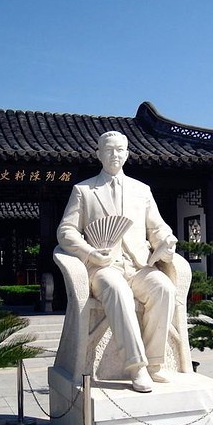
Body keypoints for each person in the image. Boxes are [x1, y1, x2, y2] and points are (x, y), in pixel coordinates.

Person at [57, 131, 178, 392]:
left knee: (164, 288)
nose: (115, 155)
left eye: (120, 150)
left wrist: (166, 241)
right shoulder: (83, 190)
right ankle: (137, 367)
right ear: (98, 154)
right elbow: (66, 231)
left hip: (137, 266)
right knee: (117, 289)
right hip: (103, 267)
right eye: (109, 150)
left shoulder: (141, 190)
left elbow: (157, 227)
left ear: (127, 154)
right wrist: (89, 252)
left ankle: (155, 361)